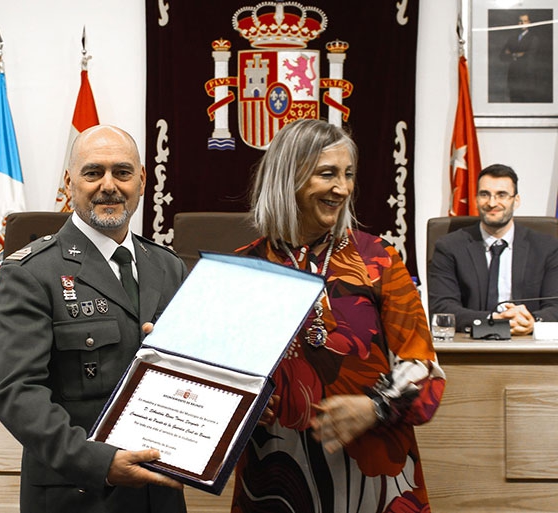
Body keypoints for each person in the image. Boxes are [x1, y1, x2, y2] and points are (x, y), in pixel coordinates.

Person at [230, 119, 446, 512]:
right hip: (276, 474)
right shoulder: (244, 266)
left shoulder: (379, 259)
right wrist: (247, 404)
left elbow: (423, 366)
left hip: (375, 476)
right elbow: (219, 370)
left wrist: (376, 405)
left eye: (348, 175)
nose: (342, 188)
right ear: (287, 177)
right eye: (327, 174)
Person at [0, 125, 187, 512]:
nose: (108, 185)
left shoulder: (168, 267)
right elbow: (17, 394)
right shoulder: (32, 272)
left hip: (159, 493)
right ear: (69, 183)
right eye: (93, 172)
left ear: (142, 180)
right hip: (78, 493)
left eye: (123, 172)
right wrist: (101, 462)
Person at [428, 164, 558, 335]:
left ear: (516, 200)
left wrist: (532, 321)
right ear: (476, 199)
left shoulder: (546, 247)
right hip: (470, 345)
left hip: (528, 344)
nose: (492, 203)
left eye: (501, 195)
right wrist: (492, 320)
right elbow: (442, 308)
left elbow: (555, 305)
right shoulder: (449, 247)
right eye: (484, 194)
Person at [500, 13, 542, 103]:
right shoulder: (512, 38)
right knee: (514, 103)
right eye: (520, 21)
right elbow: (502, 56)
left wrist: (512, 54)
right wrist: (517, 54)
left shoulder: (533, 39)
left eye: (525, 21)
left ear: (529, 23)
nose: (522, 23)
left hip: (526, 78)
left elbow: (530, 57)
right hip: (513, 78)